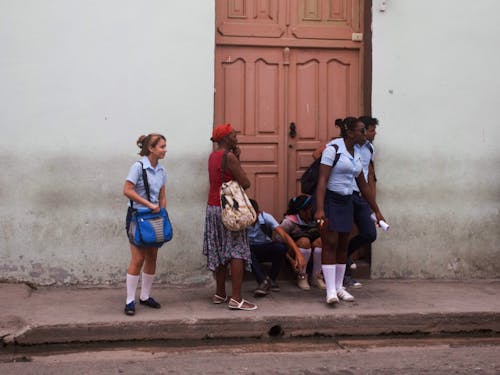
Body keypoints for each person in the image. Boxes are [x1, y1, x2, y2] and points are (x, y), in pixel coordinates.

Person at [315, 117, 385, 304]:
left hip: (347, 202)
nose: (365, 134)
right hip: (331, 200)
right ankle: (330, 291)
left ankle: (339, 287)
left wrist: (376, 211)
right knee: (330, 243)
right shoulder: (333, 149)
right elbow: (322, 181)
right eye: (362, 131)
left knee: (343, 245)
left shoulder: (358, 153)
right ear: (350, 132)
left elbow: (363, 185)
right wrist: (320, 209)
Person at [202, 123, 257, 311]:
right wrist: (237, 159)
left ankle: (219, 293)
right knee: (237, 251)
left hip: (213, 207)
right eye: (233, 134)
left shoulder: (213, 156)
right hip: (229, 210)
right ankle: (237, 298)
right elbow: (245, 182)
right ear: (226, 138)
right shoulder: (229, 156)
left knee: (219, 249)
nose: (236, 136)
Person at [123, 133, 168, 316]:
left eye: (165, 146)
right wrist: (149, 204)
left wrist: (162, 212)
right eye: (162, 146)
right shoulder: (138, 167)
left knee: (152, 256)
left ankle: (145, 296)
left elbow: (163, 195)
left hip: (155, 217)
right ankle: (130, 300)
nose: (165, 150)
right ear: (151, 149)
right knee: (138, 258)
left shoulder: (162, 171)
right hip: (137, 216)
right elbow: (126, 190)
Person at [343, 116, 379, 289]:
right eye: (366, 130)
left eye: (369, 130)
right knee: (344, 233)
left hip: (360, 195)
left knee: (369, 233)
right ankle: (344, 274)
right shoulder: (340, 146)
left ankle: (344, 255)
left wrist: (373, 201)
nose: (371, 134)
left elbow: (368, 174)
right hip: (343, 194)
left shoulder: (369, 148)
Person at [247, 199, 306, 297]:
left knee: (280, 248)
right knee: (247, 251)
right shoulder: (241, 220)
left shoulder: (266, 217)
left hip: (264, 247)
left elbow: (284, 235)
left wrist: (298, 253)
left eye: (252, 214)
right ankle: (262, 282)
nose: (250, 218)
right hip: (249, 251)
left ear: (258, 213)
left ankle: (271, 279)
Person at [276, 195, 326, 291]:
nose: (312, 212)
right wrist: (291, 260)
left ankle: (316, 276)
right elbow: (278, 244)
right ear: (302, 211)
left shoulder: (315, 219)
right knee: (304, 241)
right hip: (293, 256)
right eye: (310, 210)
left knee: (321, 241)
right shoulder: (289, 222)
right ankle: (302, 276)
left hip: (310, 255)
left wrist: (321, 223)